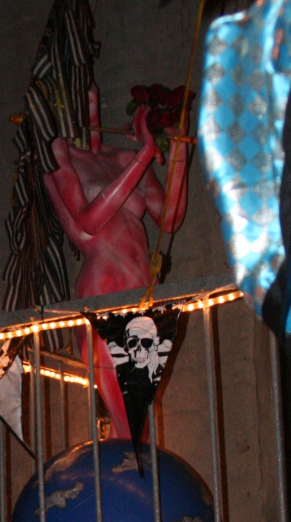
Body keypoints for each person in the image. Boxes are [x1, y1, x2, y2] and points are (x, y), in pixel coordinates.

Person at [42, 85, 189, 436]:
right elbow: (89, 220)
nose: (88, 105)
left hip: (144, 289)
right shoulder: (59, 156)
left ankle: (122, 459)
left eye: (92, 96)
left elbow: (169, 218)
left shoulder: (124, 158)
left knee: (141, 420)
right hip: (103, 287)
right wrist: (144, 155)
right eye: (81, 97)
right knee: (129, 423)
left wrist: (178, 147)